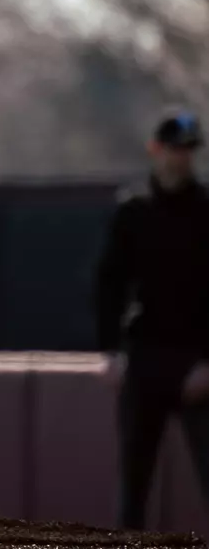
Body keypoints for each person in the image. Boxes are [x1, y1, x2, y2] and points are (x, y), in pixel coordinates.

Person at [95, 107, 209, 530]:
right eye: (174, 149)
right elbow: (110, 283)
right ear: (155, 150)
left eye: (188, 150)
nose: (181, 158)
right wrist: (110, 349)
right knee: (134, 486)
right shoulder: (134, 211)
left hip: (196, 362)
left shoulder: (205, 210)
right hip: (144, 359)